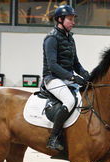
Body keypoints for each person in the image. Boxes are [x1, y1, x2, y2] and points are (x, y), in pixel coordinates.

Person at [42, 4, 90, 151]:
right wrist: (73, 78)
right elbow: (53, 65)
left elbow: (75, 63)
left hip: (66, 78)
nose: (73, 22)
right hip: (52, 78)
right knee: (69, 100)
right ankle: (53, 138)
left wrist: (85, 74)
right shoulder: (51, 39)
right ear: (60, 20)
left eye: (73, 19)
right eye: (70, 19)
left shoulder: (70, 39)